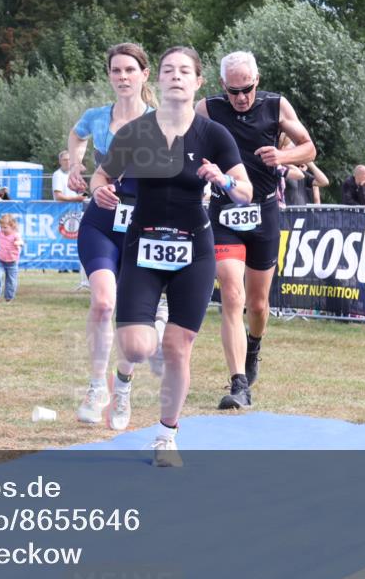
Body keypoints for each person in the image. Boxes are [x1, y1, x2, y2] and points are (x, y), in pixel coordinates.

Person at [98, 46, 250, 465]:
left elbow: (245, 190)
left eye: (185, 71)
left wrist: (222, 179)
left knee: (178, 347)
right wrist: (100, 188)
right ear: (157, 80)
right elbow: (102, 174)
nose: (177, 77)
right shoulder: (135, 132)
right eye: (168, 70)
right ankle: (124, 378)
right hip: (142, 244)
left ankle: (167, 436)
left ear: (198, 81)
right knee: (137, 345)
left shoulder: (214, 135)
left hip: (194, 250)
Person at [195, 50, 316, 409]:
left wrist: (283, 157)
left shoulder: (275, 106)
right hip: (224, 211)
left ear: (257, 81)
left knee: (258, 304)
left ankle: (254, 346)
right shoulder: (208, 109)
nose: (241, 97)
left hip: (263, 209)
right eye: (233, 91)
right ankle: (238, 384)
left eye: (247, 88)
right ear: (223, 86)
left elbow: (310, 147)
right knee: (232, 295)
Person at [65, 42, 160, 429]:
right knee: (104, 303)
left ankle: (122, 389)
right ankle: (96, 387)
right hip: (101, 221)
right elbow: (77, 135)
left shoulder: (160, 120)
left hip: (143, 226)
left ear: (144, 74)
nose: (122, 77)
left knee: (134, 323)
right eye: (116, 70)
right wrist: (77, 165)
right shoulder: (96, 116)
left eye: (129, 70)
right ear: (109, 75)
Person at [0, 214, 24, 303]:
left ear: (12, 226)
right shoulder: (1, 233)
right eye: (1, 227)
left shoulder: (15, 235)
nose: (3, 229)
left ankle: (9, 297)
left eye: (5, 227)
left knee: (12, 281)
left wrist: (18, 243)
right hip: (0, 261)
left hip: (12, 263)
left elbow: (21, 242)